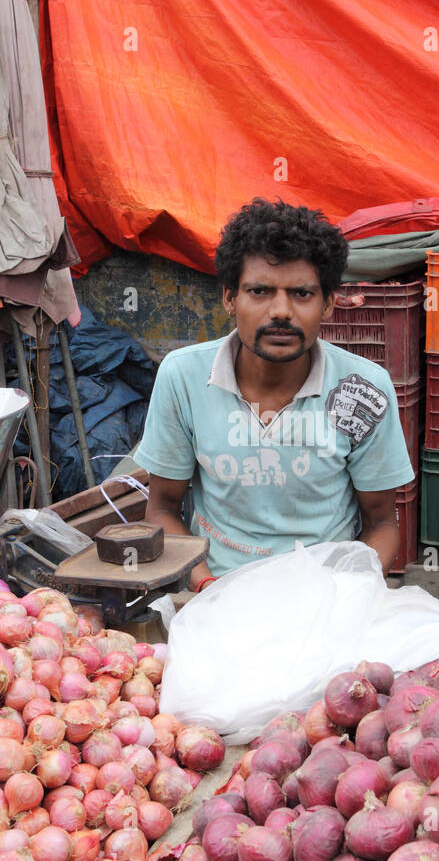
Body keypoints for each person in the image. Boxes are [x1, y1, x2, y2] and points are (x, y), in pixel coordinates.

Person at [133, 198, 415, 591]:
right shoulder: (183, 376)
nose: (281, 311)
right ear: (230, 298)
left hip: (324, 597)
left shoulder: (362, 389)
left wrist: (345, 594)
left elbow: (382, 524)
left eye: (301, 294)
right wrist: (206, 587)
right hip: (217, 593)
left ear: (329, 304)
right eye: (260, 291)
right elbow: (163, 508)